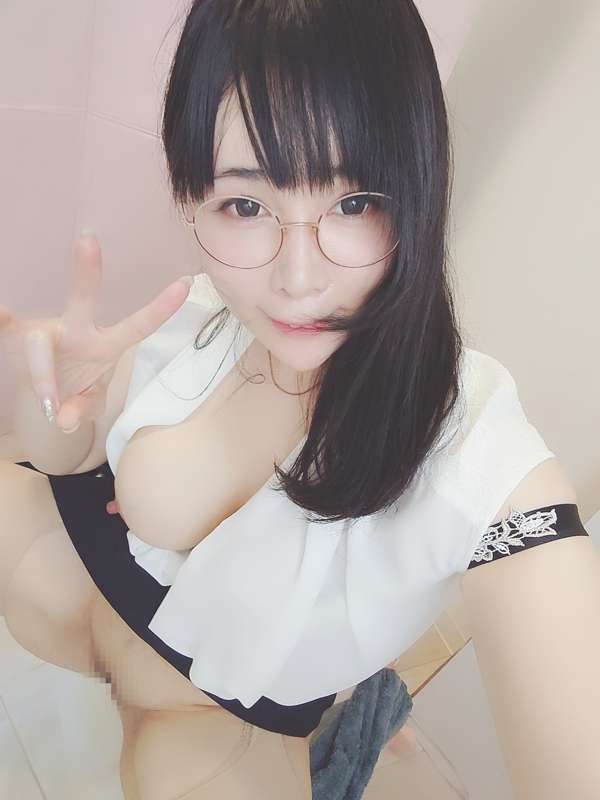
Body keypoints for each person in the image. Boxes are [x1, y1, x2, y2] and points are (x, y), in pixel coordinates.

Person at [1, 1, 593, 798]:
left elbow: (535, 558)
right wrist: (52, 410)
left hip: (210, 722)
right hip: (74, 597)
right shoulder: (208, 309)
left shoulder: (472, 448)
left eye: (353, 203)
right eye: (247, 205)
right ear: (193, 197)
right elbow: (64, 457)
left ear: (417, 188)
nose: (298, 277)